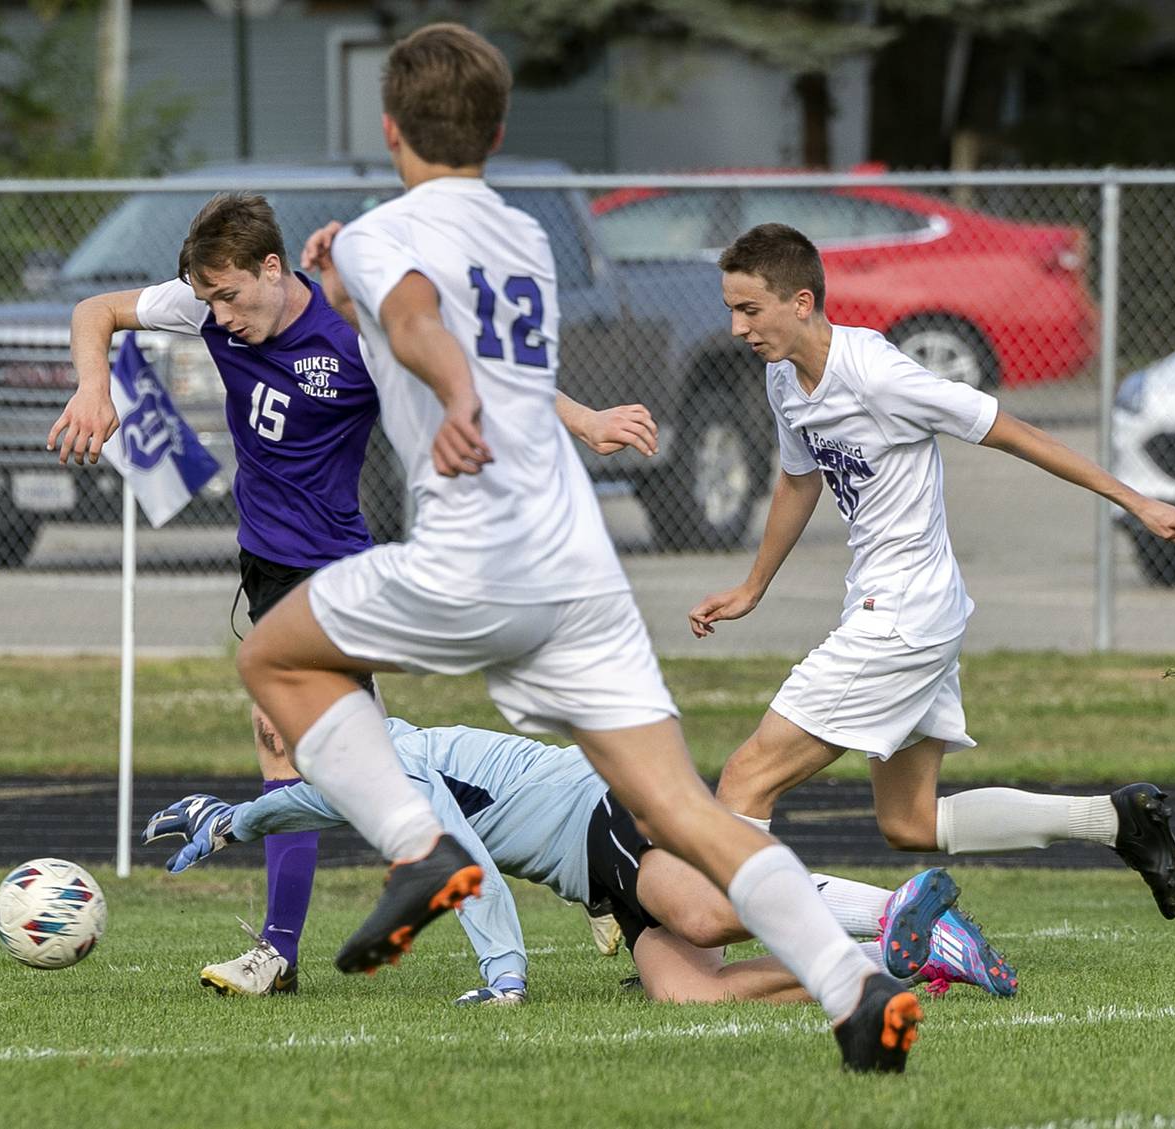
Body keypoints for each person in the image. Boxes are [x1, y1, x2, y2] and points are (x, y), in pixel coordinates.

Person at [238, 23, 926, 1073]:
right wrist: (352, 293)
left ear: (389, 129)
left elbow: (420, 316)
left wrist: (444, 377)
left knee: (274, 657)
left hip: (475, 552)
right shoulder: (522, 234)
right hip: (581, 570)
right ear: (500, 130)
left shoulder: (386, 232)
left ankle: (419, 853)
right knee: (685, 812)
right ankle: (854, 988)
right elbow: (417, 318)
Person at [45, 192, 659, 996]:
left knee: (320, 752)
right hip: (266, 568)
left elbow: (475, 377)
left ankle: (295, 953)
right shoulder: (207, 308)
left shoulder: (353, 337)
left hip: (335, 574)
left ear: (274, 267)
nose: (220, 317)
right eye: (207, 300)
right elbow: (97, 309)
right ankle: (589, 868)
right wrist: (96, 387)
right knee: (362, 767)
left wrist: (582, 420)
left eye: (229, 295)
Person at [689, 223, 1175, 921]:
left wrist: (1135, 499)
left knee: (745, 781)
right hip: (910, 610)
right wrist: (752, 587)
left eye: (749, 309)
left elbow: (1014, 432)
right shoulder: (783, 379)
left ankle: (710, 939)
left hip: (902, 619)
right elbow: (798, 479)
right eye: (731, 310)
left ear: (801, 302)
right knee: (910, 821)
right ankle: (1115, 821)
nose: (737, 326)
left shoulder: (878, 374)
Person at [140, 716, 1018, 1006]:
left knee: (707, 914)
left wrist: (506, 974)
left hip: (597, 809)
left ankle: (895, 901)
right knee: (689, 991)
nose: (271, 730)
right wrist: (227, 823)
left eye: (282, 718)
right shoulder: (347, 773)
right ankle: (888, 962)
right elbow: (294, 803)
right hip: (591, 872)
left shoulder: (388, 764)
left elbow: (460, 857)